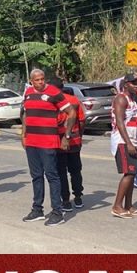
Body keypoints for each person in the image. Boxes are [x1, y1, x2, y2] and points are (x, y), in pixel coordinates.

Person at [22, 69, 79, 225]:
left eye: (42, 79)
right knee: (36, 176)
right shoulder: (27, 93)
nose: (41, 82)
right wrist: (23, 135)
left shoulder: (53, 92)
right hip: (32, 142)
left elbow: (71, 112)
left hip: (48, 142)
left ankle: (57, 212)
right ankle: (37, 210)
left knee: (52, 176)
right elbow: (26, 114)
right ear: (31, 81)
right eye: (37, 80)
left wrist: (67, 136)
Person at [110, 73, 137, 219]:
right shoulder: (121, 98)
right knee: (129, 173)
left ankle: (128, 205)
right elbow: (119, 122)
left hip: (133, 139)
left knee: (133, 173)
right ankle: (117, 206)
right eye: (133, 83)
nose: (136, 85)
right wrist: (128, 143)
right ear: (126, 84)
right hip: (122, 141)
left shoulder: (133, 100)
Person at [49, 77, 86, 211]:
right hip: (74, 140)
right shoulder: (74, 100)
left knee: (61, 172)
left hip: (58, 142)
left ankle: (65, 200)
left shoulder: (52, 101)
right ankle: (78, 197)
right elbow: (82, 120)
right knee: (75, 170)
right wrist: (79, 135)